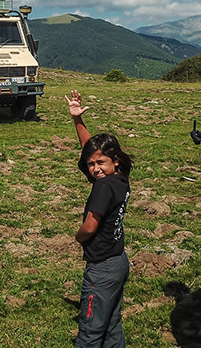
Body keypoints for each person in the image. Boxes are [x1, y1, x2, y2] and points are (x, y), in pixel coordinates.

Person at [66, 90, 132, 347]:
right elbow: (90, 152)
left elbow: (90, 226)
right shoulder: (120, 179)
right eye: (91, 164)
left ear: (114, 161)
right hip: (118, 261)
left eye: (101, 163)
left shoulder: (102, 188)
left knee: (91, 331)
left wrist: (78, 236)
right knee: (112, 324)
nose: (95, 169)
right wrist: (78, 121)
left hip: (101, 269)